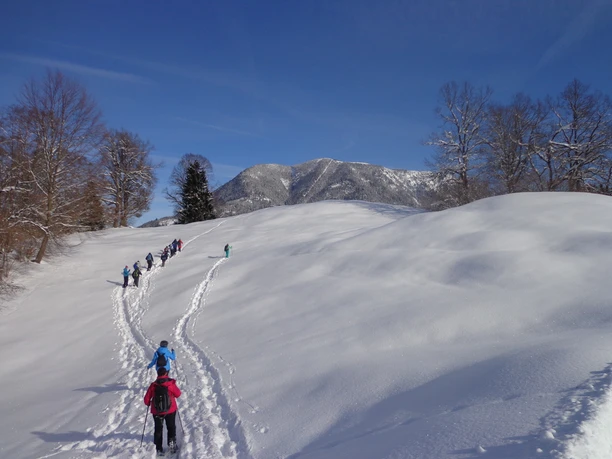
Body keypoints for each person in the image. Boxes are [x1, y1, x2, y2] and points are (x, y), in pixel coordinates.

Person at [144, 367, 181, 456]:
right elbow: (178, 394)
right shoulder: (170, 384)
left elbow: (146, 400)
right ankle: (171, 445)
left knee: (158, 429)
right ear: (166, 373)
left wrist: (150, 402)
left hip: (157, 411)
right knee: (171, 427)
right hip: (170, 410)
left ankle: (159, 448)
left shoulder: (153, 385)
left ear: (158, 374)